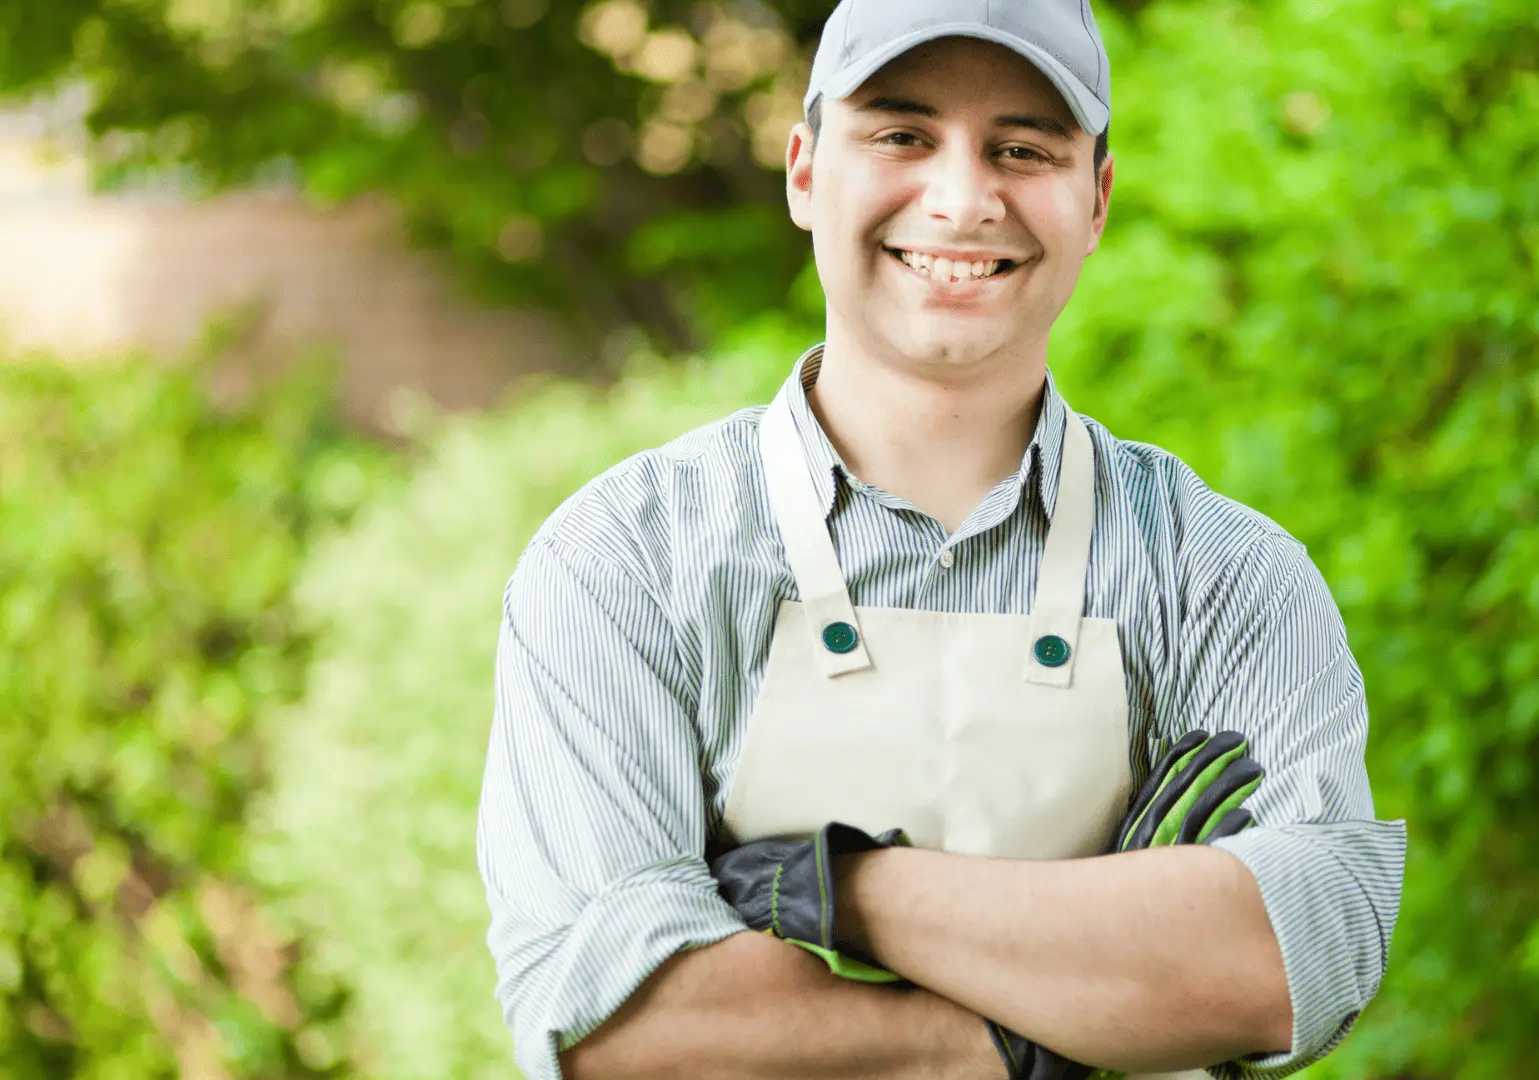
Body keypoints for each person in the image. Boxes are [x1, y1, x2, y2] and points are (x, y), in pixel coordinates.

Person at [476, 2, 1407, 1078]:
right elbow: (621, 1031)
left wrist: (853, 893)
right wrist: (1040, 1028)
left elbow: (1289, 964)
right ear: (805, 170)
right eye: (901, 135)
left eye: (1022, 149)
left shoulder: (1226, 578)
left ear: (1096, 200)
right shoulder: (623, 566)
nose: (964, 200)